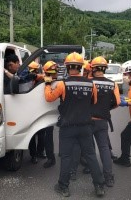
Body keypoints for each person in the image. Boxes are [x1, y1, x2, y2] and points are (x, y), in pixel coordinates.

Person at [44, 52, 105, 197]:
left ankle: (63, 187)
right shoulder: (91, 84)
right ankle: (99, 186)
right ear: (81, 67)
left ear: (67, 67)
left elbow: (49, 98)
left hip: (67, 127)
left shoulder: (62, 84)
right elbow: (94, 102)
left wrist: (47, 83)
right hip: (85, 126)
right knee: (90, 155)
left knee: (66, 157)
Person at [89, 56, 120, 187]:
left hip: (87, 121)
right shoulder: (113, 84)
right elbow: (117, 102)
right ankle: (108, 177)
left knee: (88, 150)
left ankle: (89, 172)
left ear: (93, 68)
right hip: (102, 122)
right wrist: (106, 108)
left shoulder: (88, 82)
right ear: (105, 69)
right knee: (104, 149)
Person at [40, 61, 58, 168]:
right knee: (48, 136)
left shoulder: (60, 82)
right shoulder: (42, 81)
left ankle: (54, 157)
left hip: (57, 112)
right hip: (47, 113)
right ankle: (51, 158)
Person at [28, 61, 46, 164]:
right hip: (31, 110)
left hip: (38, 110)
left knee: (41, 134)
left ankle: (39, 152)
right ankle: (34, 155)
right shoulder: (27, 79)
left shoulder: (41, 79)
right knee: (33, 134)